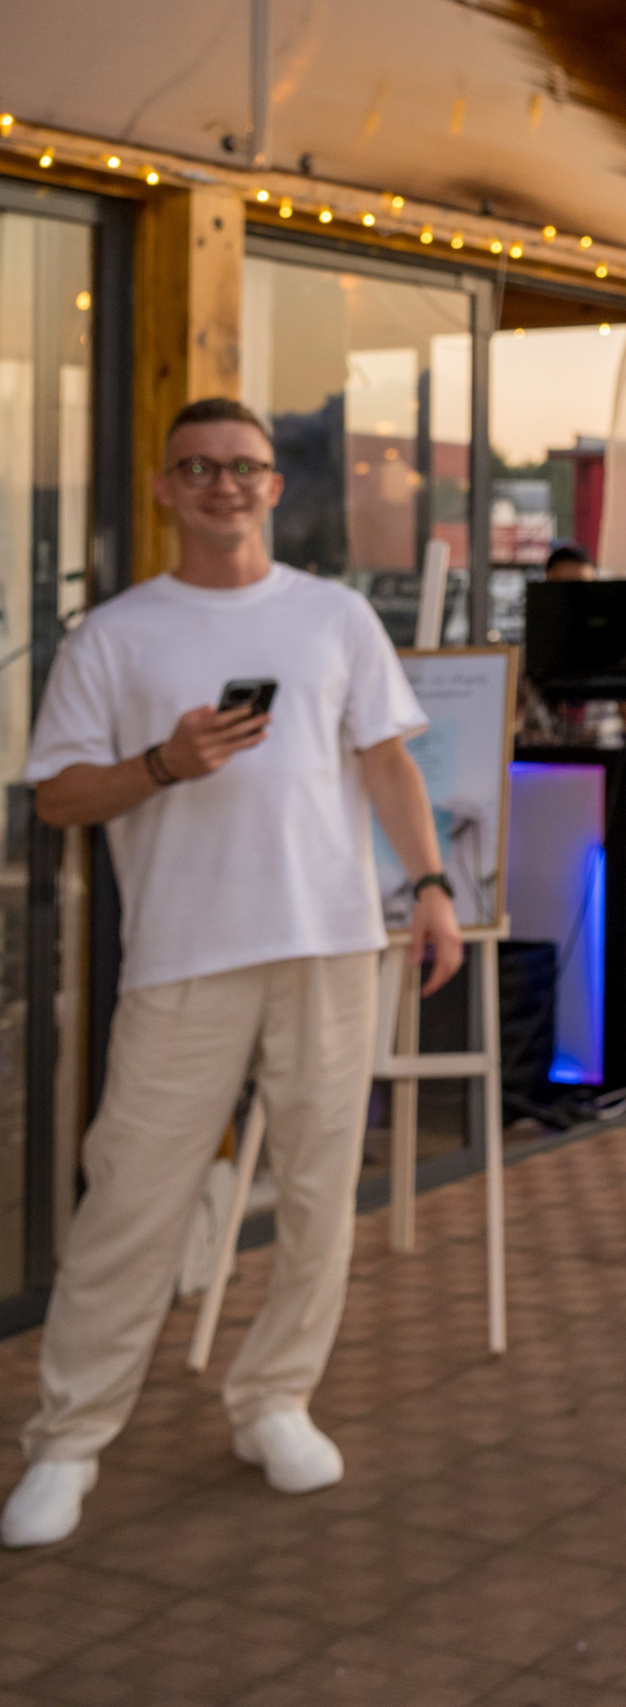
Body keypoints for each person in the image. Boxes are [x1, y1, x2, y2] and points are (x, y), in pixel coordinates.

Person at [0, 398, 465, 1551]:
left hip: (331, 943)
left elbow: (387, 765)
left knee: (319, 1194)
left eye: (244, 466)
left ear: (274, 486)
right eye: (199, 467)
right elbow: (57, 797)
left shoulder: (334, 615)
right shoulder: (117, 636)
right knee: (132, 1198)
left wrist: (431, 886)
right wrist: (163, 764)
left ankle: (276, 1401)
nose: (224, 484)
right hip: (186, 954)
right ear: (166, 487)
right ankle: (69, 1439)